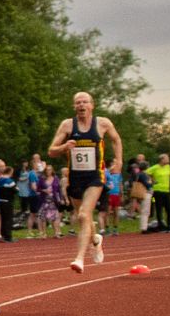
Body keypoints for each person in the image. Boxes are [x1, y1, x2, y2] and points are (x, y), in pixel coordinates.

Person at [47, 91, 124, 272]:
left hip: (95, 176)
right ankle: (95, 240)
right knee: (84, 216)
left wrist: (119, 161)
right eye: (78, 102)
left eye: (85, 102)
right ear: (74, 106)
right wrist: (64, 147)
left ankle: (80, 259)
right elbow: (51, 151)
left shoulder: (102, 123)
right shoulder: (67, 125)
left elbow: (116, 139)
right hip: (75, 178)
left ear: (92, 105)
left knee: (83, 215)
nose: (81, 105)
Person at [145, 153, 170, 233]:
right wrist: (152, 180)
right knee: (159, 208)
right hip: (157, 191)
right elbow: (145, 173)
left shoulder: (168, 167)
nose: (168, 160)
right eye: (167, 158)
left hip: (166, 191)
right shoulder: (155, 167)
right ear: (162, 159)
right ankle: (160, 224)